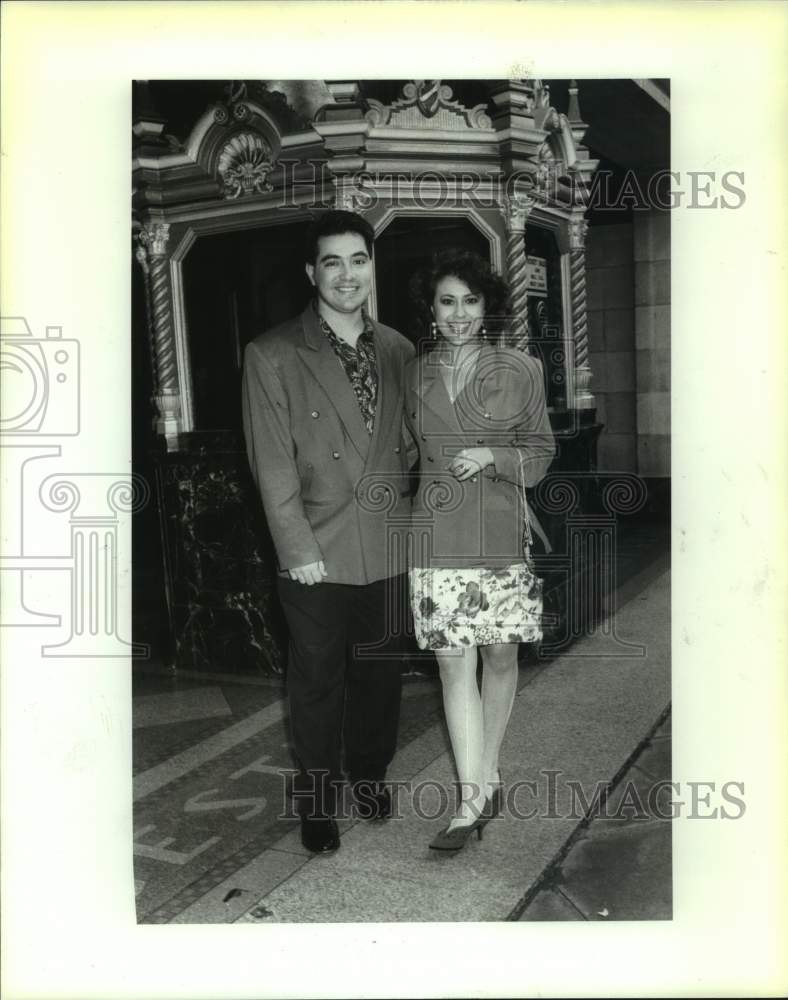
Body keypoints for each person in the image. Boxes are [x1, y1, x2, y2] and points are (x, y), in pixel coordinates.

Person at [242, 210, 415, 854]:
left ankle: (369, 776)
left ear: (373, 266)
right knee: (317, 682)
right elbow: (271, 462)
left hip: (388, 544)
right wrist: (296, 550)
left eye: (359, 260)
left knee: (380, 676)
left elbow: (409, 447)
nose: (347, 275)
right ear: (311, 272)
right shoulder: (274, 353)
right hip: (316, 549)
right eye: (332, 262)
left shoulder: (399, 348)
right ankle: (318, 800)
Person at [405, 248, 555, 852]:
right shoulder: (413, 373)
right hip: (435, 531)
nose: (459, 313)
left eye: (470, 300)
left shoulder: (519, 369)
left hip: (497, 529)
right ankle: (470, 799)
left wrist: (495, 455)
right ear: (431, 308)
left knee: (498, 659)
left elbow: (541, 453)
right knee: (451, 662)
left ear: (487, 305)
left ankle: (487, 768)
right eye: (447, 301)